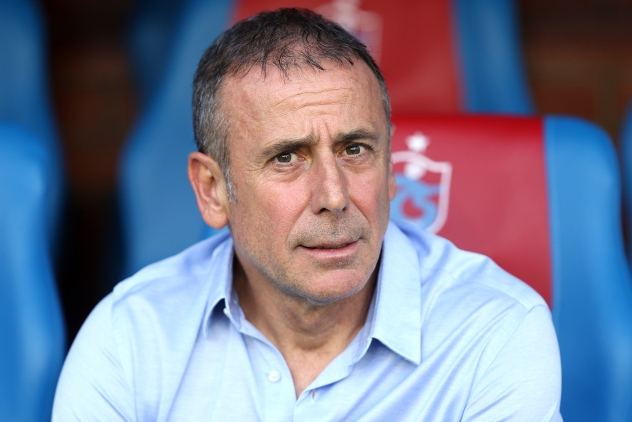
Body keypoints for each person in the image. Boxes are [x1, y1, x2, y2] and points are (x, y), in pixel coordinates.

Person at [53, 8, 562, 421]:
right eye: (286, 158)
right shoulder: (131, 338)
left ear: (390, 168)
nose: (334, 196)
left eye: (355, 150)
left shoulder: (493, 333)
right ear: (212, 190)